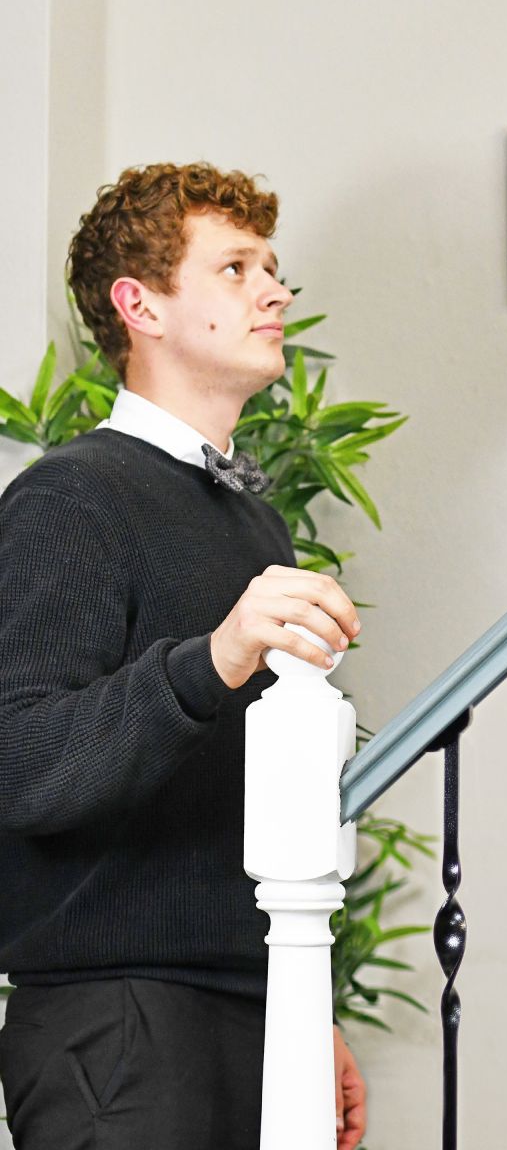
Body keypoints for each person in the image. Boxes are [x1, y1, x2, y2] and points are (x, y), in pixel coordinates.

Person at [0, 163, 367, 1148]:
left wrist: (303, 999)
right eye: (237, 267)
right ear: (140, 305)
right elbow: (23, 766)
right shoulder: (68, 499)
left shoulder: (256, 526)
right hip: (115, 1030)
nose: (275, 292)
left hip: (251, 1007)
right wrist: (214, 656)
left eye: (274, 268)